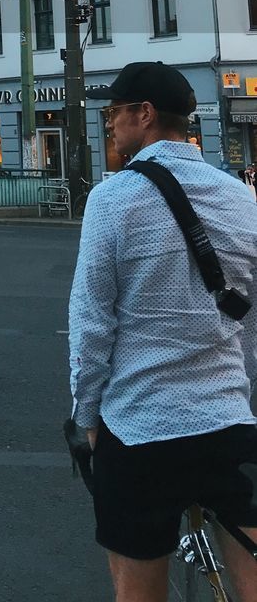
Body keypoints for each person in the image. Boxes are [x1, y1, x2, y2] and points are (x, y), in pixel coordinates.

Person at [69, 62, 257, 601]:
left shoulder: (112, 200)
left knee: (139, 592)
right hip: (228, 425)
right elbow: (250, 321)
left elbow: (91, 325)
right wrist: (237, 395)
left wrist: (88, 419)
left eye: (114, 114)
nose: (109, 125)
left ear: (144, 115)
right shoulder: (240, 198)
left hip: (141, 428)